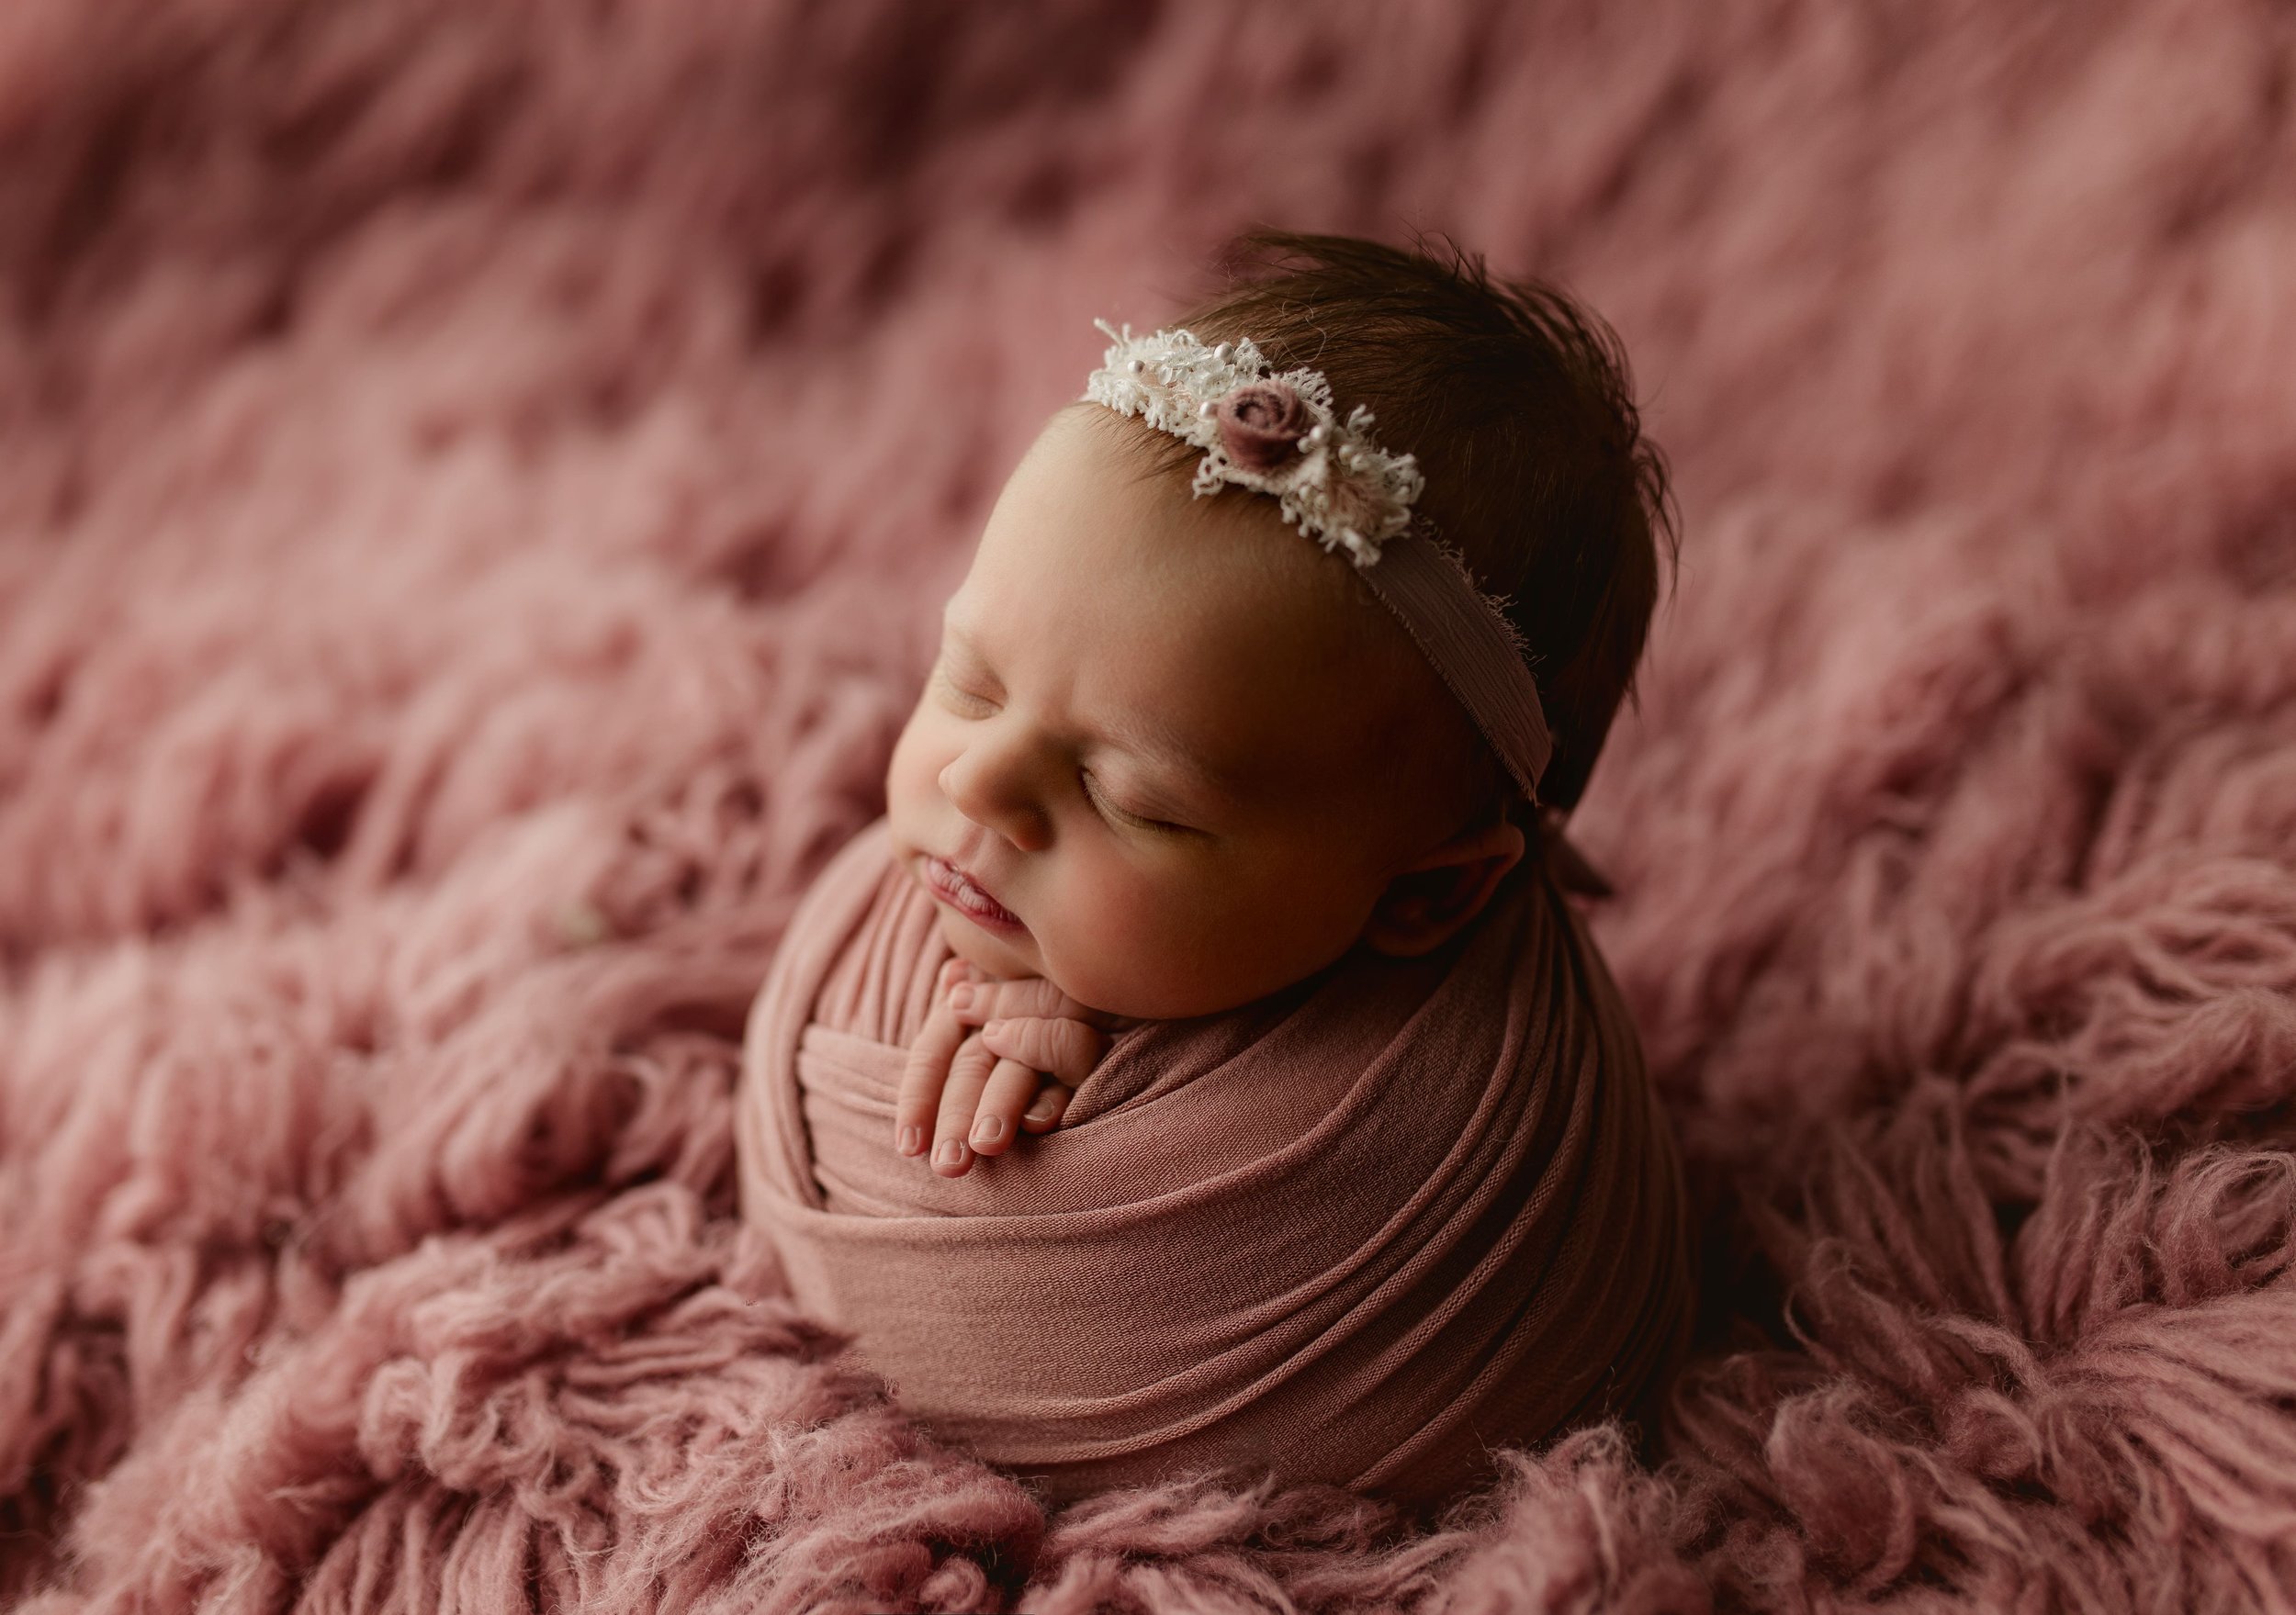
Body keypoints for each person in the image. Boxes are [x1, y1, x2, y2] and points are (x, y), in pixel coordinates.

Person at [737, 227, 1694, 1515]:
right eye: (971, 681)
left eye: (1130, 800)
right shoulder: (957, 875)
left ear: (1428, 895)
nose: (977, 782)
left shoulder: (1460, 1161)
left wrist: (1109, 1051)